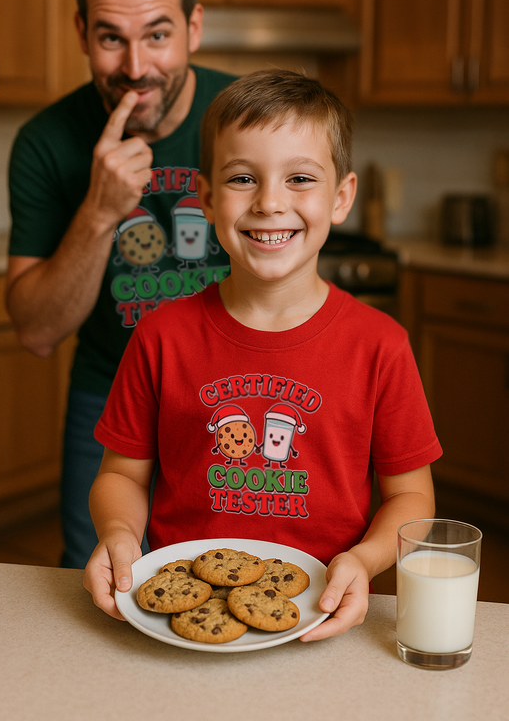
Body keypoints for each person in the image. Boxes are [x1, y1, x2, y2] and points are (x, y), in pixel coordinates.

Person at [83, 69, 441, 641]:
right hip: (183, 624)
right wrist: (120, 533)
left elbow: (412, 496)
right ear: (205, 198)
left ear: (341, 197)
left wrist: (367, 559)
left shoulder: (381, 346)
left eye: (300, 178)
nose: (270, 202)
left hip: (322, 616)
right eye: (243, 178)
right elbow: (121, 475)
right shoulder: (160, 337)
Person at [5, 0, 235, 568]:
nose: (136, 68)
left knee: (236, 573)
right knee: (97, 582)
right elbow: (35, 330)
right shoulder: (46, 143)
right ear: (82, 32)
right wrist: (100, 212)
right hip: (108, 396)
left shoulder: (245, 115)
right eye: (112, 38)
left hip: (238, 392)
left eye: (157, 34)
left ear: (193, 26)